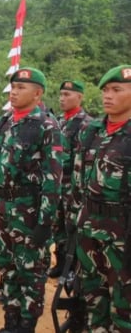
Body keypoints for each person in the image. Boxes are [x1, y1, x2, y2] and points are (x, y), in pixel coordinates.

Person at [0, 67, 63, 332]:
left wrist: (45, 222)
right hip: (3, 208)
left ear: (38, 93)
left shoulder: (47, 126)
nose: (14, 92)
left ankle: (26, 325)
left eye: (21, 88)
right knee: (7, 267)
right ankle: (11, 321)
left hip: (29, 211)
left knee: (29, 271)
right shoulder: (7, 122)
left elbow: (53, 180)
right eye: (13, 87)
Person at [71, 65, 131, 332]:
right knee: (94, 298)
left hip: (122, 232)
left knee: (124, 303)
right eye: (106, 90)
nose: (108, 95)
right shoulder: (92, 130)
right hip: (89, 227)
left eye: (117, 90)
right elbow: (77, 179)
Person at [47, 80, 92, 278]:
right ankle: (60, 262)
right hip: (57, 184)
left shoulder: (85, 123)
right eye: (61, 94)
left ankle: (73, 267)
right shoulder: (58, 121)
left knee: (72, 226)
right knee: (57, 225)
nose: (62, 98)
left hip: (72, 185)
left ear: (79, 97)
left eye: (67, 95)